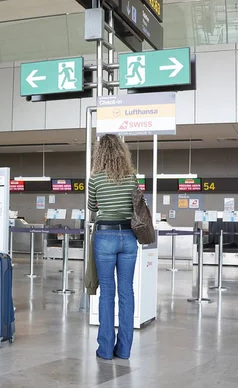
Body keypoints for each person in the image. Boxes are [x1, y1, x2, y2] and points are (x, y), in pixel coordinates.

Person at [87, 134, 139, 361]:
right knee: (126, 291)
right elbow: (136, 204)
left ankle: (105, 349)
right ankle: (125, 350)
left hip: (104, 236)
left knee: (107, 292)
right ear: (122, 152)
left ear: (100, 153)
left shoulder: (95, 178)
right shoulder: (131, 177)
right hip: (128, 236)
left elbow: (91, 206)